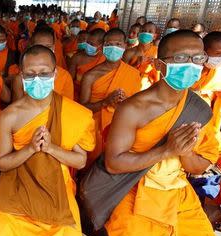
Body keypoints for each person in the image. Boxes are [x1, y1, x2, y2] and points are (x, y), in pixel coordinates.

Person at [104, 30, 221, 236]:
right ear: (160, 65)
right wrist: (165, 150)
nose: (191, 64)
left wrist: (184, 152)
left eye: (198, 58)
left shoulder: (198, 109)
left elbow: (200, 167)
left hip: (177, 192)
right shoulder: (133, 108)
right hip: (134, 188)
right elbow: (113, 163)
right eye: (181, 58)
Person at [0, 44, 95, 236]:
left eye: (44, 73)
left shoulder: (73, 112)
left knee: (68, 233)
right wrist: (29, 148)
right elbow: (2, 163)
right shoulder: (10, 115)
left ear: (56, 73)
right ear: (20, 75)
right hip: (17, 180)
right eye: (30, 74)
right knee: (3, 227)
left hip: (57, 181)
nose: (38, 80)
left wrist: (51, 148)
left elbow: (80, 161)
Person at [79, 28, 141, 161]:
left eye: (118, 44)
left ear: (125, 46)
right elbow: (82, 109)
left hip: (123, 128)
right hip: (96, 131)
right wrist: (105, 102)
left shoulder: (133, 73)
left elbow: (139, 106)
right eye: (108, 44)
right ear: (102, 48)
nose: (113, 48)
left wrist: (126, 102)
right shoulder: (90, 76)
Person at [191, 31, 221, 207]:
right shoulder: (190, 70)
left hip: (212, 126)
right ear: (204, 51)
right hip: (191, 121)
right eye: (217, 53)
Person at [12, 27, 74, 101]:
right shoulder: (20, 79)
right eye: (40, 46)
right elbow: (18, 108)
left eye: (48, 47)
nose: (44, 50)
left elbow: (68, 106)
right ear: (32, 47)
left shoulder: (65, 76)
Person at [68, 28, 106, 101]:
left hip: (97, 97)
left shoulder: (106, 60)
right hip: (77, 95)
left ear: (101, 46)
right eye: (87, 42)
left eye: (92, 44)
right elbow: (69, 80)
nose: (88, 45)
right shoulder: (77, 57)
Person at [123, 22, 159, 89]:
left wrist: (156, 65)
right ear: (139, 34)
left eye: (150, 31)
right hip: (129, 86)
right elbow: (122, 74)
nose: (146, 33)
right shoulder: (129, 52)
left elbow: (160, 75)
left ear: (154, 36)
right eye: (143, 31)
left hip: (149, 89)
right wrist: (137, 64)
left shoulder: (157, 52)